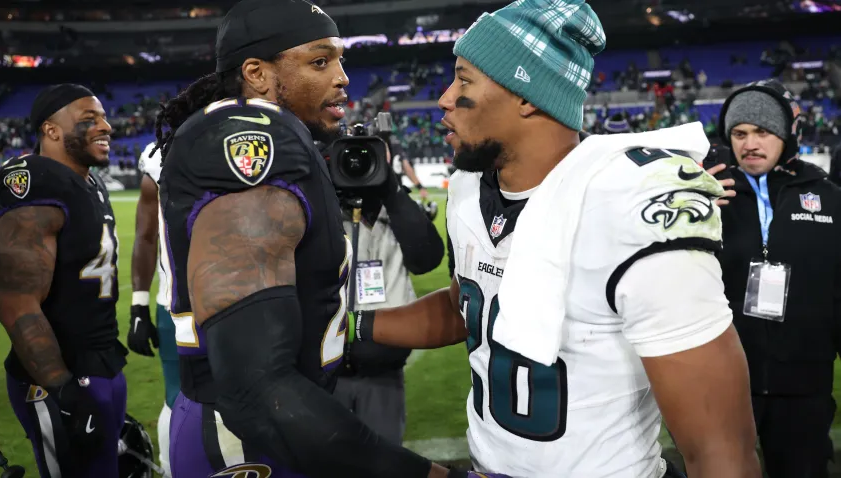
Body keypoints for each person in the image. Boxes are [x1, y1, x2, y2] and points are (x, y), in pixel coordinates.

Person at [345, 1, 760, 477]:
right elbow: (471, 305)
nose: (443, 98)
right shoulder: (467, 189)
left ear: (526, 94)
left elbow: (720, 451)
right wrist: (349, 327)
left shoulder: (630, 206)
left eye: (463, 79)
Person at [153, 1, 507, 477]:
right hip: (250, 441)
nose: (342, 77)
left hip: (271, 428)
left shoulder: (273, 135)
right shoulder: (253, 143)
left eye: (340, 59)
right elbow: (256, 387)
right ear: (257, 73)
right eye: (320, 62)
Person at [0, 84, 128, 477]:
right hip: (59, 378)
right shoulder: (35, 180)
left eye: (103, 117)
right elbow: (18, 304)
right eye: (89, 119)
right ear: (51, 130)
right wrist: (64, 391)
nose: (106, 127)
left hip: (101, 361)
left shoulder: (89, 183)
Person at [713, 79, 841, 478]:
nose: (750, 143)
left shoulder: (829, 197)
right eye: (740, 133)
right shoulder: (707, 197)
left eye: (762, 132)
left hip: (804, 384)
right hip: (726, 381)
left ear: (787, 135)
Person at [334, 153, 445, 444]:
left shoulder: (394, 208)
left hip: (384, 369)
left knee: (383, 461)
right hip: (325, 372)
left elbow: (427, 259)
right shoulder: (321, 208)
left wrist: (391, 190)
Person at [128, 140, 179, 476]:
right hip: (176, 305)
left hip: (245, 299)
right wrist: (139, 304)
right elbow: (146, 235)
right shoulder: (161, 153)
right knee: (178, 400)